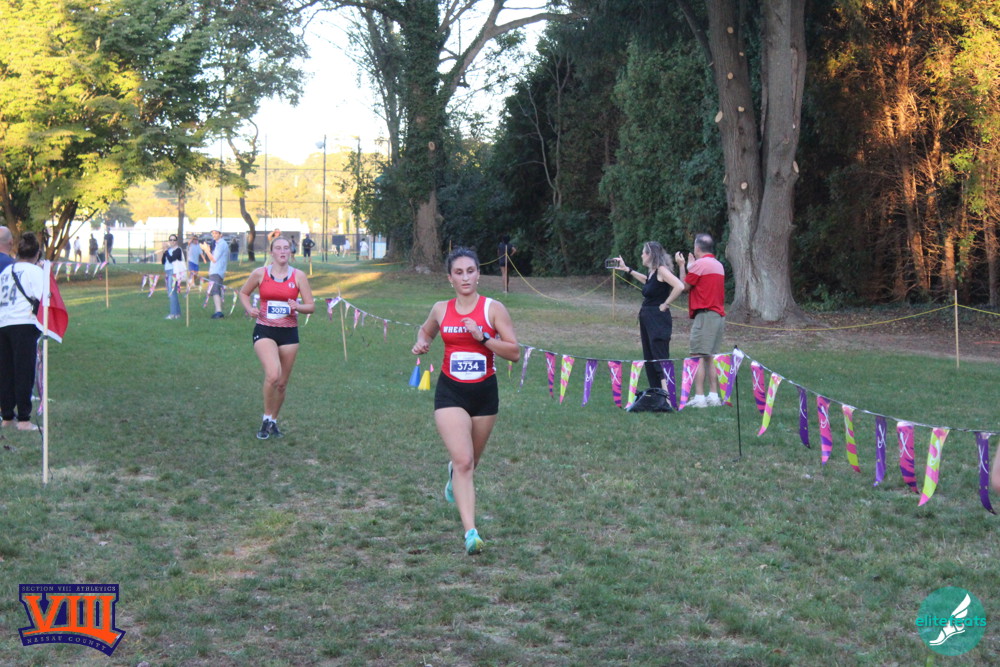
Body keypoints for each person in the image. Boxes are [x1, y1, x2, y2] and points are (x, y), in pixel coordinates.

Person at [411, 247, 520, 555]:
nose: (465, 277)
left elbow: (514, 352)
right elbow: (426, 331)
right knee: (464, 462)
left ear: (478, 274)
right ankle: (471, 532)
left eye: (470, 271)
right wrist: (422, 342)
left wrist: (482, 337)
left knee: (472, 462)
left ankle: (454, 476)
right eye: (458, 273)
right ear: (450, 278)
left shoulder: (493, 309)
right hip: (451, 392)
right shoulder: (441, 309)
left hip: (484, 394)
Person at [238, 237, 314, 439]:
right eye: (278, 248)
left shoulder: (298, 276)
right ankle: (265, 418)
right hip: (265, 330)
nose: (282, 251)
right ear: (271, 252)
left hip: (289, 333)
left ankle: (273, 421)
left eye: (286, 248)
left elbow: (311, 306)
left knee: (281, 384)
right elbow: (244, 293)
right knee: (273, 374)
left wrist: (298, 307)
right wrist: (250, 309)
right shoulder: (260, 273)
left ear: (290, 252)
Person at [614, 241, 685, 392]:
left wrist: (666, 303)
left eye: (643, 253)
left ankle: (667, 395)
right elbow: (647, 282)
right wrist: (627, 269)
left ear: (650, 254)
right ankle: (657, 393)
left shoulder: (661, 270)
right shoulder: (653, 272)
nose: (641, 255)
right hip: (648, 317)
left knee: (659, 357)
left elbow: (679, 286)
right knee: (650, 357)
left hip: (657, 319)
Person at [0, 232, 45, 431]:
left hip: (3, 322)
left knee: (6, 371)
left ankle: (7, 416)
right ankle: (24, 419)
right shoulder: (34, 272)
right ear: (37, 253)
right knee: (24, 371)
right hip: (23, 323)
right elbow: (44, 297)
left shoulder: (6, 271)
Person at [675, 233, 726, 408]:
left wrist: (682, 266)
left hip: (705, 316)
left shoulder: (700, 264)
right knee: (710, 356)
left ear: (697, 248)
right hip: (717, 315)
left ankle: (699, 397)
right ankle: (713, 395)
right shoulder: (718, 265)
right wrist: (691, 267)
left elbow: (684, 286)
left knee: (696, 355)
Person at [206, 229, 230, 319]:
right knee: (216, 291)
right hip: (215, 270)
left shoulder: (221, 244)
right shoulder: (217, 244)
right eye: (212, 233)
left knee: (215, 290)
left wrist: (206, 251)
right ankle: (218, 310)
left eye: (216, 233)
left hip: (217, 271)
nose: (214, 235)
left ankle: (219, 312)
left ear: (220, 234)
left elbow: (214, 259)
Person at [161, 235, 184, 320]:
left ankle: (173, 314)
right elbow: (163, 261)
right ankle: (177, 313)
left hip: (173, 272)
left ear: (176, 241)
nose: (172, 241)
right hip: (168, 272)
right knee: (172, 293)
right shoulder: (169, 250)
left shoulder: (178, 250)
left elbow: (171, 259)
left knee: (171, 293)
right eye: (171, 240)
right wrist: (164, 252)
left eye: (174, 240)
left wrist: (166, 252)